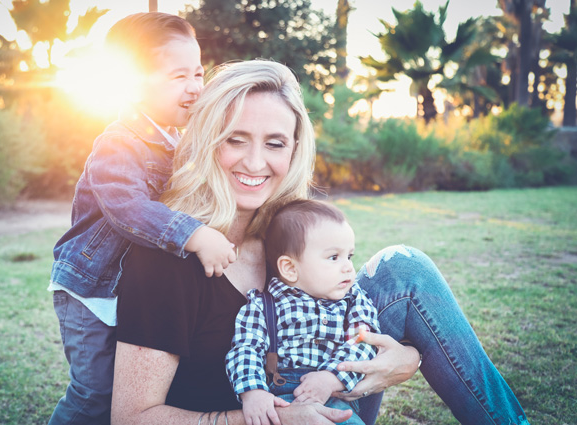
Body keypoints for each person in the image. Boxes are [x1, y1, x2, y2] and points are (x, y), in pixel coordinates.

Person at [112, 59, 530, 425]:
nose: (255, 163)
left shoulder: (287, 227)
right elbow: (132, 418)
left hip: (326, 398)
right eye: (235, 139)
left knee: (405, 267)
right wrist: (273, 417)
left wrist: (408, 359)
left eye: (274, 143)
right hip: (256, 416)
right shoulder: (166, 257)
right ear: (206, 140)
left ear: (294, 150)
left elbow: (349, 315)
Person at [47, 12, 236, 425]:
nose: (194, 87)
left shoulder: (176, 140)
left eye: (199, 73)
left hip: (128, 289)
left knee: (132, 386)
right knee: (95, 392)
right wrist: (195, 235)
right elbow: (127, 208)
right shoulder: (118, 142)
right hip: (90, 291)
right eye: (178, 77)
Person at [225, 199, 379, 425]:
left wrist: (331, 378)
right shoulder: (264, 304)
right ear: (290, 268)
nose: (347, 266)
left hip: (334, 397)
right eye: (333, 257)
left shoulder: (354, 299)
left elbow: (364, 342)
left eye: (349, 256)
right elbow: (245, 348)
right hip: (280, 399)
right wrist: (253, 392)